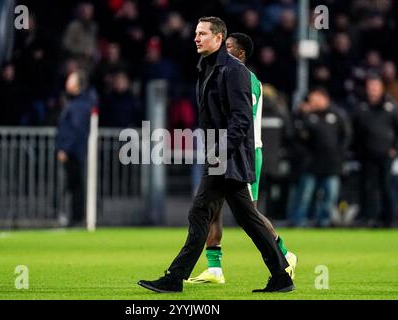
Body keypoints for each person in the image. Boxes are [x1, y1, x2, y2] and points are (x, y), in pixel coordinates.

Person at [138, 17, 294, 293]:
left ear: (219, 38)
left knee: (202, 212)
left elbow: (241, 118)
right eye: (196, 33)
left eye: (202, 34)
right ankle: (281, 275)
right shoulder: (209, 67)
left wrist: (220, 151)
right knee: (246, 218)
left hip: (228, 156)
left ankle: (174, 278)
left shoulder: (233, 71)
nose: (196, 38)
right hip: (222, 154)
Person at [186, 33, 297, 285]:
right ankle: (214, 268)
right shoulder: (225, 73)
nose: (223, 51)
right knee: (211, 209)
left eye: (228, 47)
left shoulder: (244, 77)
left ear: (241, 53)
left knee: (249, 214)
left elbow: (240, 118)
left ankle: (284, 254)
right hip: (225, 149)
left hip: (243, 152)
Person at [288, 87, 352, 227]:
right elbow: (296, 136)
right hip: (311, 164)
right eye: (312, 100)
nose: (314, 102)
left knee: (330, 196)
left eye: (316, 99)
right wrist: (302, 114)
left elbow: (346, 135)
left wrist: (340, 154)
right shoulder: (307, 116)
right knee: (305, 195)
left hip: (332, 163)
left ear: (325, 99)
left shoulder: (337, 115)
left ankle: (324, 222)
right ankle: (298, 221)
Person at [352, 76, 398, 228]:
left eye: (375, 86)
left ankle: (389, 219)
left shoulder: (391, 107)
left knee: (387, 186)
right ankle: (369, 218)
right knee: (367, 187)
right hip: (366, 155)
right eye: (370, 86)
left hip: (386, 155)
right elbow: (355, 131)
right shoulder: (361, 107)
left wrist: (395, 148)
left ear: (381, 88)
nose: (372, 90)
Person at [55, 70, 96, 227]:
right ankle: (74, 216)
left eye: (70, 80)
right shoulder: (76, 103)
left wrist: (65, 148)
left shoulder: (78, 105)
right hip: (74, 151)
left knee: (74, 185)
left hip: (74, 152)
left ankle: (76, 218)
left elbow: (75, 129)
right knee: (74, 185)